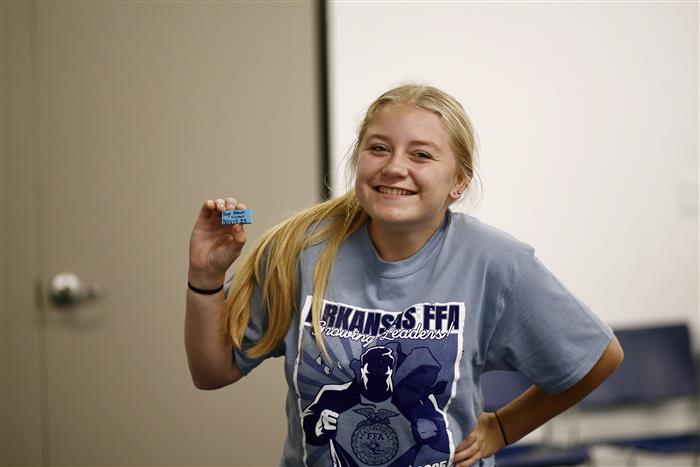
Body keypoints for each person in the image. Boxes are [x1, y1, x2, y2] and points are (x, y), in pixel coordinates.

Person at [185, 84, 623, 467]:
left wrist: (503, 428)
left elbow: (598, 358)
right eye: (378, 148)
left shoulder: (495, 262)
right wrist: (205, 276)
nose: (395, 167)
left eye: (421, 155)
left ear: (458, 182)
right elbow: (213, 372)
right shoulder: (298, 250)